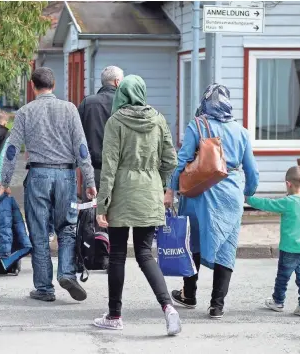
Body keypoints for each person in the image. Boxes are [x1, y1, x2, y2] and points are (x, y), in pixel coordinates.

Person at [0, 67, 97, 302]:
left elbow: (12, 149)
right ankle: (66, 273)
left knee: (39, 232)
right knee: (68, 227)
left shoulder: (25, 111)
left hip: (38, 176)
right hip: (66, 175)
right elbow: (81, 148)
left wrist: (4, 181)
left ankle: (44, 288)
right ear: (53, 85)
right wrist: (90, 181)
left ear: (33, 86)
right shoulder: (70, 109)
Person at [94, 75, 181, 336]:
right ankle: (169, 308)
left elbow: (109, 166)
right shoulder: (158, 119)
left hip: (121, 192)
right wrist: (158, 180)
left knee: (118, 255)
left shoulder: (115, 122)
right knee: (145, 254)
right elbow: (171, 159)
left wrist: (102, 205)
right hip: (150, 191)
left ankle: (115, 316)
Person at [166, 84, 259, 319]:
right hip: (231, 195)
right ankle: (217, 305)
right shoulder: (242, 131)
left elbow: (183, 160)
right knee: (227, 248)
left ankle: (189, 294)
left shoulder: (197, 125)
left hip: (199, 194)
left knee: (192, 243)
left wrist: (172, 189)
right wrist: (247, 192)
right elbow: (252, 170)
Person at [246, 166, 300, 317]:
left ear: (288, 184)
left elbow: (267, 204)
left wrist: (248, 198)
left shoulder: (288, 202)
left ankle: (278, 302)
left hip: (289, 248)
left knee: (283, 276)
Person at [77, 66, 124, 197]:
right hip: (120, 171)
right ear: (117, 82)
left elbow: (77, 135)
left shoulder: (88, 103)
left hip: (93, 170)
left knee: (91, 211)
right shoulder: (126, 105)